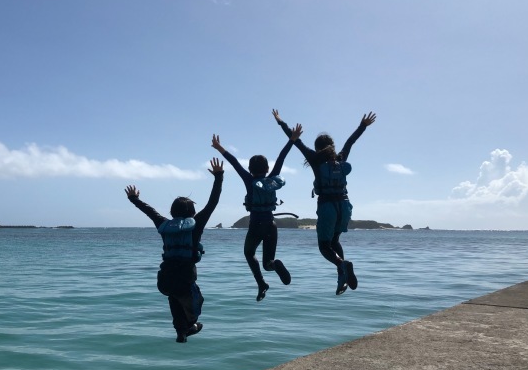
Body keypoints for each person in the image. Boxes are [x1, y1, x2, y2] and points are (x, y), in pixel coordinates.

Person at [273, 109, 377, 296]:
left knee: (323, 246)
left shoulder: (314, 158)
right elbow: (350, 142)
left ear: (317, 146)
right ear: (332, 146)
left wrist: (281, 122)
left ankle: (342, 265)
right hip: (344, 207)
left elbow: (295, 141)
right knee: (335, 241)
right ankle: (342, 277)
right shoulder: (340, 159)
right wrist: (362, 126)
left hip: (328, 207)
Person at [125, 158, 224, 342]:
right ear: (193, 213)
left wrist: (134, 199)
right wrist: (219, 176)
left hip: (164, 279)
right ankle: (191, 324)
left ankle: (181, 332)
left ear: (172, 212)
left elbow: (150, 211)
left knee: (174, 298)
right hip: (185, 279)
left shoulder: (163, 224)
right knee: (196, 301)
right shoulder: (197, 225)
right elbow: (213, 202)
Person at [211, 127, 302, 301]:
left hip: (255, 226)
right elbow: (282, 158)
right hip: (271, 225)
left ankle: (261, 283)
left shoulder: (249, 180)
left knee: (248, 253)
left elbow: (234, 162)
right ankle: (274, 265)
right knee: (268, 263)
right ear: (267, 168)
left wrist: (219, 148)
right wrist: (292, 139)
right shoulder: (273, 177)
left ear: (250, 169)